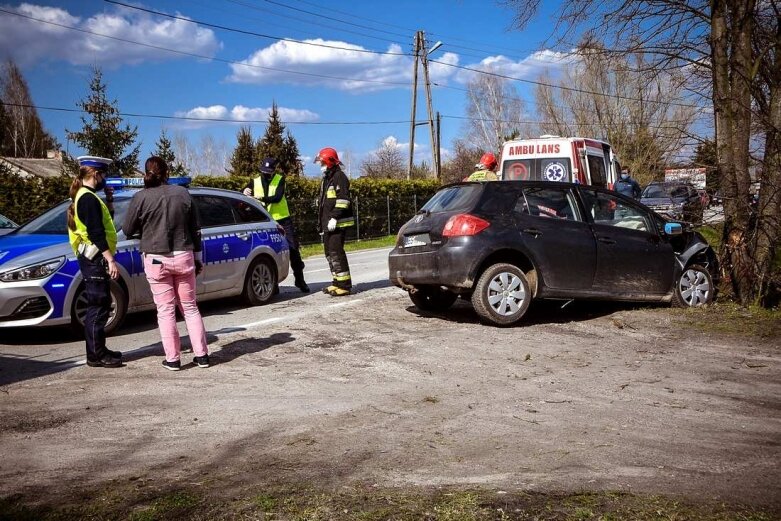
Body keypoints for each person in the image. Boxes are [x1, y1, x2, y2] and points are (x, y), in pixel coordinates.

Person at [123, 156, 210, 371]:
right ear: (167, 172)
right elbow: (195, 230)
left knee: (165, 311)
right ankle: (202, 356)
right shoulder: (182, 193)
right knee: (190, 307)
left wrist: (144, 230)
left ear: (147, 172)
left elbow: (127, 229)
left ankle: (173, 359)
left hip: (155, 258)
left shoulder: (140, 197)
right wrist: (198, 258)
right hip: (184, 256)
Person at [67, 156, 122, 368]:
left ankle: (99, 349)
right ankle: (96, 355)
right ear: (95, 174)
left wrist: (109, 201)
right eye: (104, 174)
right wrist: (110, 260)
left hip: (92, 258)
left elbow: (103, 223)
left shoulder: (86, 196)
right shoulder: (87, 198)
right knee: (98, 306)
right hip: (95, 258)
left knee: (100, 304)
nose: (105, 179)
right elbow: (96, 232)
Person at [242, 157, 309, 293]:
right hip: (265, 222)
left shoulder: (280, 179)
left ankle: (300, 279)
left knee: (293, 249)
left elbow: (277, 198)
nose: (266, 174)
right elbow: (245, 192)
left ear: (273, 170)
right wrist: (245, 191)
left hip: (283, 220)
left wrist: (258, 198)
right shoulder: (254, 181)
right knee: (271, 252)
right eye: (264, 171)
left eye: (269, 171)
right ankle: (274, 285)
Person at [314, 147, 355, 296]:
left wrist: (334, 218)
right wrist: (322, 223)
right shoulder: (327, 179)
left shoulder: (339, 177)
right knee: (329, 253)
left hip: (338, 223)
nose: (321, 166)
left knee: (336, 253)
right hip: (328, 224)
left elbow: (343, 200)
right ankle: (337, 281)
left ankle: (344, 285)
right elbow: (324, 204)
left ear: (330, 162)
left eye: (322, 162)